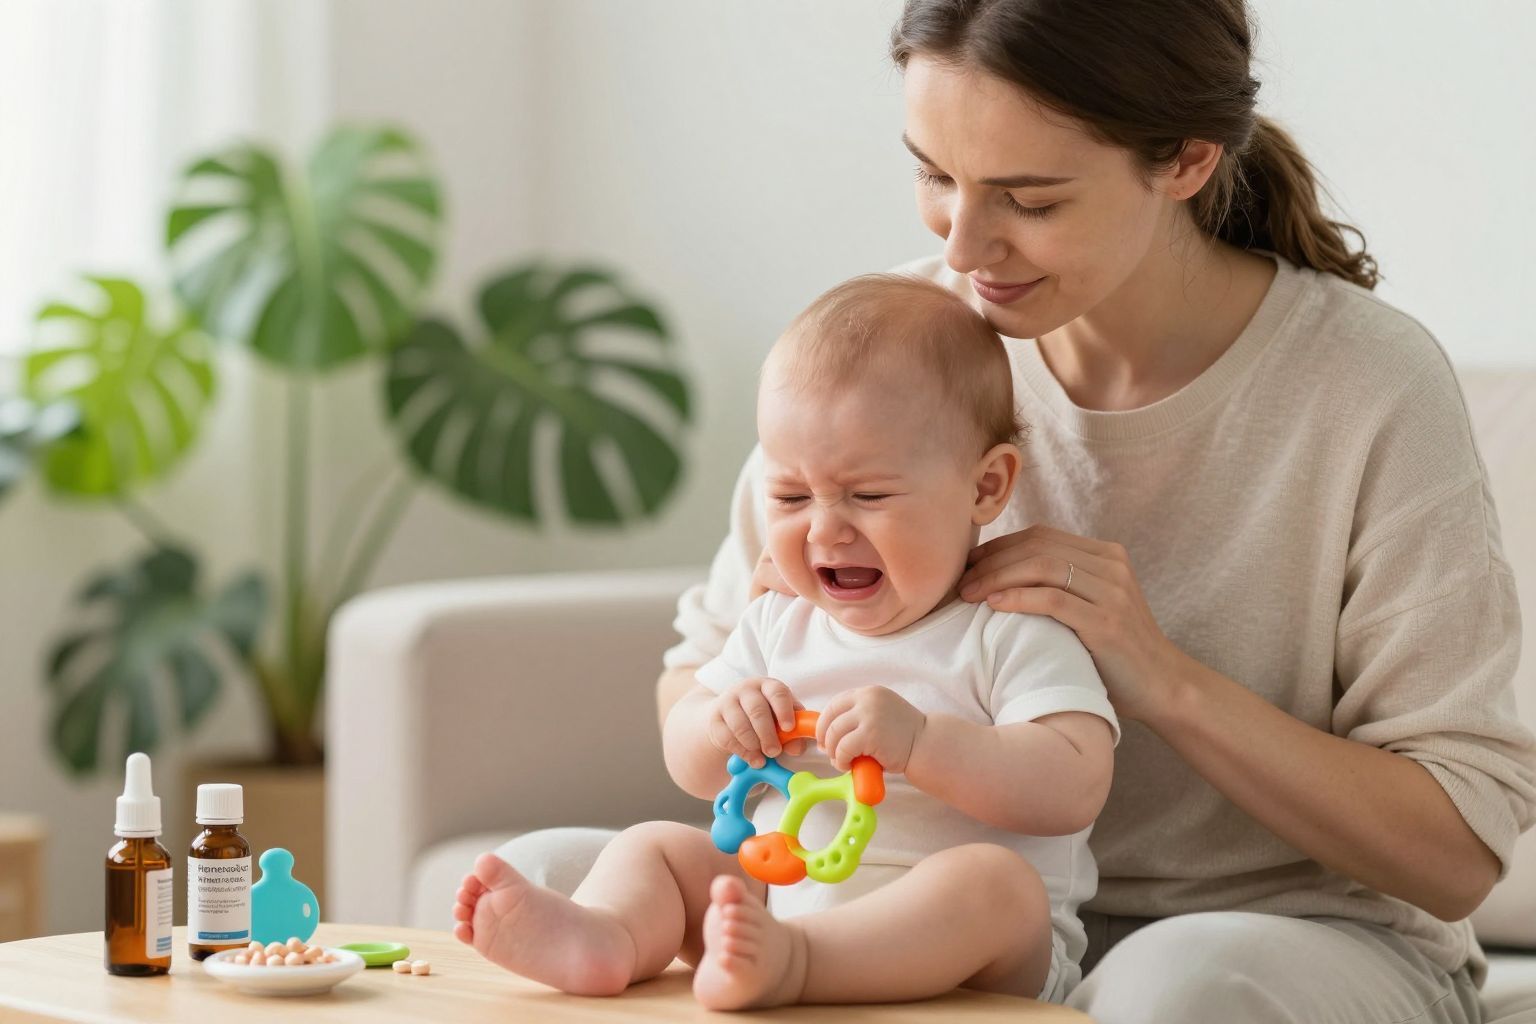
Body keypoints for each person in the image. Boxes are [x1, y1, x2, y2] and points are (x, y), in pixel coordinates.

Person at [503, 1, 1536, 1021]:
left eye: (1029, 201)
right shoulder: (904, 352)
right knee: (548, 867)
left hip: (1286, 943)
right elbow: (708, 663)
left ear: (1185, 160)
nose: (963, 247)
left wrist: (1163, 677)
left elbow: (1456, 857)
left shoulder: (1365, 384)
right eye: (933, 176)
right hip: (898, 907)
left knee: (1175, 989)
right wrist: (742, 713)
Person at [452, 274, 1119, 1010]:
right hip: (774, 907)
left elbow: (1075, 780)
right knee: (655, 847)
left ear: (986, 488)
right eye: (791, 497)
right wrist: (720, 723)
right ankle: (605, 938)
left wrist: (926, 745)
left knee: (995, 887)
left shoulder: (1009, 628)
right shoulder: (779, 621)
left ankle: (799, 964)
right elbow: (693, 766)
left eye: (868, 495)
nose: (825, 529)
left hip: (971, 961)